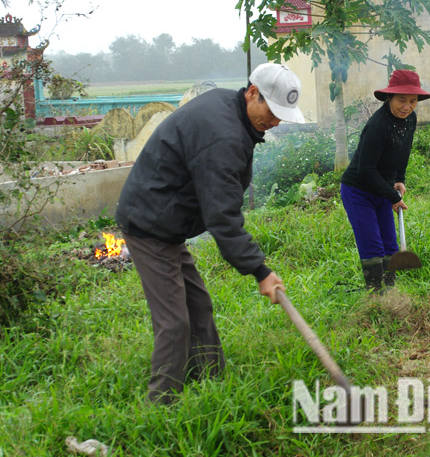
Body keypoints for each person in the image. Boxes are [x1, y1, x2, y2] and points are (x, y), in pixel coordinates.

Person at [115, 63, 306, 404]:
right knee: (174, 322)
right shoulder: (225, 136)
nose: (275, 121)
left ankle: (211, 384)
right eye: (272, 111)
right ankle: (161, 405)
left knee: (198, 306)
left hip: (166, 220)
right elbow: (222, 217)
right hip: (150, 224)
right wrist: (260, 270)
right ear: (252, 93)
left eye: (282, 115)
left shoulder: (227, 107)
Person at [340, 70, 430, 292]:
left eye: (412, 101)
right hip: (358, 191)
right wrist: (392, 196)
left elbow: (404, 150)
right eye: (401, 100)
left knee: (390, 244)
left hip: (382, 188)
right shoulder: (377, 126)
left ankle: (391, 293)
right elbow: (365, 170)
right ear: (389, 98)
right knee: (372, 245)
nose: (407, 106)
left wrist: (399, 179)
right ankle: (375, 296)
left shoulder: (410, 119)